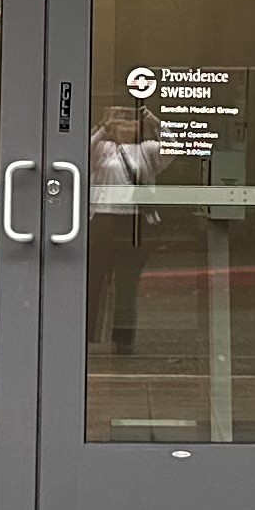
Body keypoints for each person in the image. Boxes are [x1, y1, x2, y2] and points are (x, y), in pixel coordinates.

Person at [85, 96, 160, 357]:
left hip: (132, 220)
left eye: (132, 122)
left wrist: (154, 121)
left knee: (126, 283)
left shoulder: (147, 150)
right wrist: (103, 126)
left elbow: (176, 146)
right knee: (94, 279)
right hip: (102, 218)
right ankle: (87, 335)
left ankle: (124, 339)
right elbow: (81, 152)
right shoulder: (103, 147)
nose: (126, 127)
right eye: (121, 122)